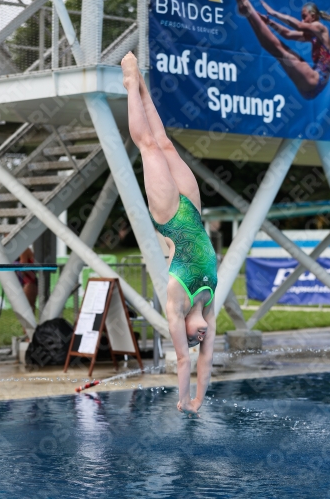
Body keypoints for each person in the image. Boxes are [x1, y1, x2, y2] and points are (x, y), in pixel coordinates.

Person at [121, 52, 218, 417]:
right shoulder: (209, 299)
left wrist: (183, 401)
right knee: (164, 143)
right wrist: (200, 400)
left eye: (193, 338)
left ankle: (130, 82)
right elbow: (205, 362)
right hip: (192, 207)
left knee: (147, 147)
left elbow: (183, 361)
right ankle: (144, 89)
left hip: (169, 216)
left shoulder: (176, 304)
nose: (198, 339)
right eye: (200, 338)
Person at [236, 0, 330, 99]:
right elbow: (288, 34)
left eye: (304, 17)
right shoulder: (311, 35)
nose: (302, 20)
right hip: (309, 87)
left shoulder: (320, 28)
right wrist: (269, 22)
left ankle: (247, 7)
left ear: (313, 16)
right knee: (274, 49)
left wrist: (274, 13)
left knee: (277, 48)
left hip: (315, 80)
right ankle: (248, 13)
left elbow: (299, 26)